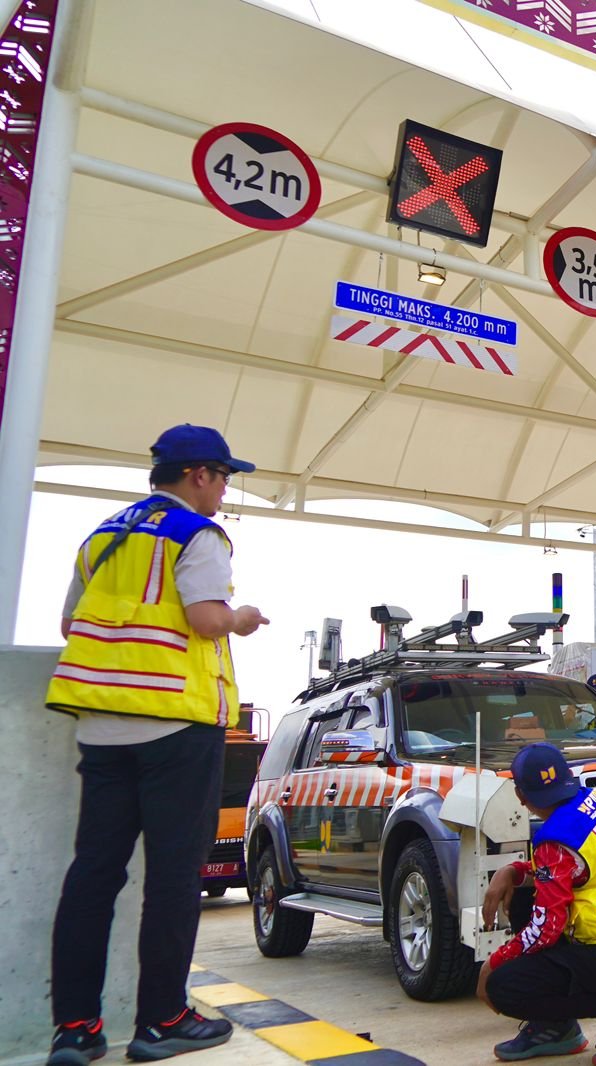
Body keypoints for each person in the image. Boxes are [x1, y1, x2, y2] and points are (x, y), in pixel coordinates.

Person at [44, 425, 269, 1064]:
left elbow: (71, 621)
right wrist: (241, 618)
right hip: (174, 726)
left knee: (93, 874)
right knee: (172, 878)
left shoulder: (104, 537)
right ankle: (162, 1019)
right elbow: (205, 618)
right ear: (198, 475)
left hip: (102, 727)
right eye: (224, 476)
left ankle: (77, 1028)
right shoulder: (197, 535)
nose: (225, 490)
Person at [479, 744, 596, 1064]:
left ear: (520, 795)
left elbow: (546, 930)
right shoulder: (595, 803)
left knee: (504, 987)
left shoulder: (555, 837)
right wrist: (513, 872)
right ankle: (556, 1028)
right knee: (527, 891)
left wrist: (493, 964)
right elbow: (565, 871)